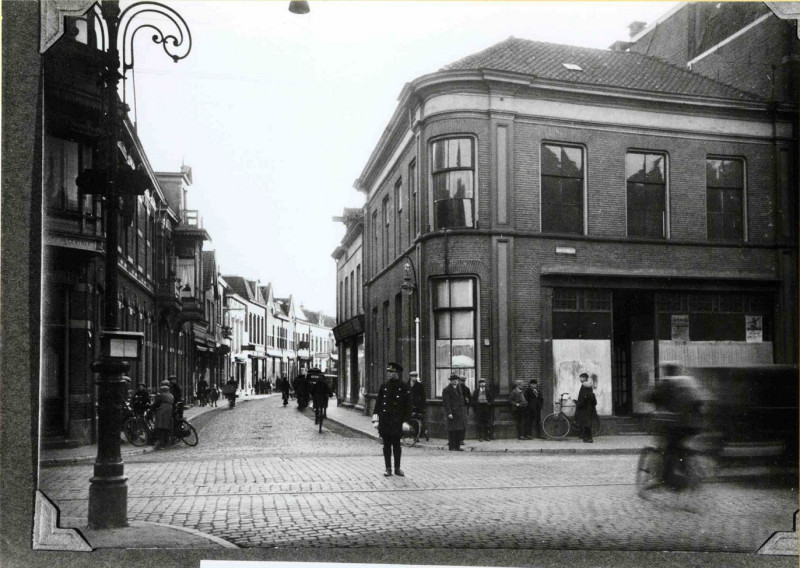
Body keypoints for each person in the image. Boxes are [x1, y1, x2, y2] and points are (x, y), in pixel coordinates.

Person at [643, 362, 707, 489]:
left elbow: (650, 397)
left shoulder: (665, 382)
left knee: (668, 448)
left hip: (676, 423)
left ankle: (663, 479)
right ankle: (686, 468)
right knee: (679, 446)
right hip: (694, 424)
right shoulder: (689, 381)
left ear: (666, 371)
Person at [372, 362, 412, 476]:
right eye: (388, 372)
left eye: (391, 372)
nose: (389, 374)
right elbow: (378, 404)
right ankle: (388, 468)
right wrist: (376, 419)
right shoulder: (383, 386)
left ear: (397, 373)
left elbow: (408, 406)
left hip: (397, 422)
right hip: (385, 421)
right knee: (386, 446)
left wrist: (406, 421)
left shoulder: (404, 387)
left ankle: (397, 468)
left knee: (397, 446)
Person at [442, 374, 467, 451]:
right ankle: (452, 447)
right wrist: (449, 413)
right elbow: (446, 402)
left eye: (456, 380)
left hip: (460, 413)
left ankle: (457, 446)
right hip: (453, 413)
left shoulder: (459, 388)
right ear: (451, 381)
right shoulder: (446, 389)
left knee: (459, 430)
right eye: (454, 380)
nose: (455, 381)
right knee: (452, 430)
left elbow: (461, 399)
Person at [574, 372, 598, 443]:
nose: (580, 379)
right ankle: (586, 438)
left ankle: (589, 438)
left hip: (585, 409)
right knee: (586, 423)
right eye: (580, 378)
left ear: (585, 378)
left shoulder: (584, 386)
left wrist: (578, 404)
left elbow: (582, 398)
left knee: (586, 424)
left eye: (582, 377)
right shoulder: (589, 388)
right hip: (589, 408)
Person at [152, 381, 174, 449]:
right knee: (166, 426)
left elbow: (156, 403)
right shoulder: (171, 395)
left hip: (162, 411)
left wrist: (151, 408)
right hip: (170, 410)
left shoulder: (161, 395)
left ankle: (161, 443)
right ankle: (166, 441)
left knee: (160, 426)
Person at [409, 371, 427, 440]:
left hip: (417, 406)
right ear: (410, 377)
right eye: (413, 376)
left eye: (415, 377)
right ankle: (407, 434)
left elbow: (423, 397)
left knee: (417, 421)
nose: (414, 378)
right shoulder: (406, 385)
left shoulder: (420, 385)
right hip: (408, 406)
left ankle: (416, 437)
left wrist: (423, 407)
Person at [457, 376, 471, 445]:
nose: (462, 382)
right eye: (461, 381)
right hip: (457, 410)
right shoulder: (456, 389)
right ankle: (457, 439)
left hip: (464, 409)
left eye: (463, 381)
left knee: (463, 425)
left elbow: (469, 399)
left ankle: (461, 439)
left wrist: (467, 401)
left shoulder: (467, 389)